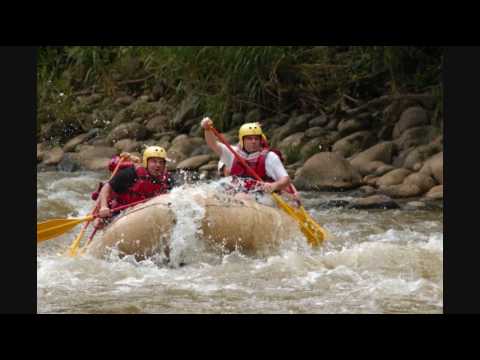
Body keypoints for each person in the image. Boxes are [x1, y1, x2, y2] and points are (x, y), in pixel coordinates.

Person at [201, 117, 298, 202]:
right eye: (249, 139)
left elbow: (286, 179)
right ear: (242, 140)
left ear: (260, 140)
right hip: (243, 192)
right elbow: (212, 144)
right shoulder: (233, 153)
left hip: (266, 196)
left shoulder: (270, 157)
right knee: (212, 192)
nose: (253, 142)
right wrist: (207, 129)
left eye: (256, 139)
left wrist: (274, 186)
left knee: (240, 197)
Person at [93, 146, 174, 229]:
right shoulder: (132, 173)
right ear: (146, 162)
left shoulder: (167, 179)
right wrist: (103, 206)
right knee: (98, 224)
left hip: (148, 209)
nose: (158, 165)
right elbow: (107, 187)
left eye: (161, 162)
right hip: (121, 210)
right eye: (154, 161)